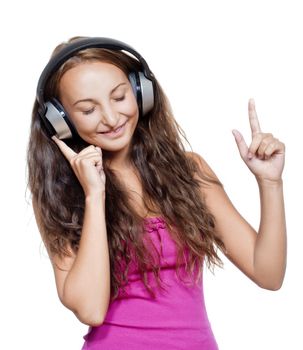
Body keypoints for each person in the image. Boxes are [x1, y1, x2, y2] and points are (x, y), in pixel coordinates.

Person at [27, 36, 287, 350]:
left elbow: (268, 274)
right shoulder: (63, 194)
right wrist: (94, 195)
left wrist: (270, 183)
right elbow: (91, 309)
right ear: (62, 122)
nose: (111, 118)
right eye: (88, 110)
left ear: (141, 91)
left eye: (120, 97)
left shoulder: (189, 171)